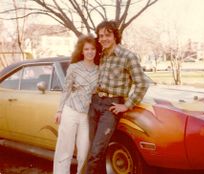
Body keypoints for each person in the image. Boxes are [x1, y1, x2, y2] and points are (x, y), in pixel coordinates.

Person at [85, 20, 149, 174]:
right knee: (92, 148)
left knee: (97, 149)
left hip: (111, 107)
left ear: (115, 36)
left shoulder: (128, 56)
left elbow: (142, 83)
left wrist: (127, 105)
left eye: (107, 35)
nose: (103, 39)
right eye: (100, 36)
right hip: (95, 104)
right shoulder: (101, 56)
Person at [53, 34, 100, 174]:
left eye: (93, 48)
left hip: (86, 115)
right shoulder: (74, 67)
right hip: (70, 111)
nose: (90, 52)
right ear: (82, 51)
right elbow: (66, 90)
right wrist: (59, 110)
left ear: (96, 50)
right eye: (86, 49)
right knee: (65, 149)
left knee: (84, 151)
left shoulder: (99, 69)